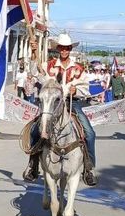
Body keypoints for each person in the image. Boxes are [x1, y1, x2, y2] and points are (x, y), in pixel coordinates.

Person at [23, 33, 97, 186]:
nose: (64, 51)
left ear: (70, 49)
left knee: (89, 133)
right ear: (58, 49)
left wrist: (75, 91)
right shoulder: (48, 65)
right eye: (62, 48)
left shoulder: (78, 69)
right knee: (34, 130)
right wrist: (32, 54)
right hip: (51, 104)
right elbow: (35, 74)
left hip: (72, 104)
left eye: (67, 48)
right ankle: (33, 164)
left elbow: (86, 89)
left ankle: (89, 168)